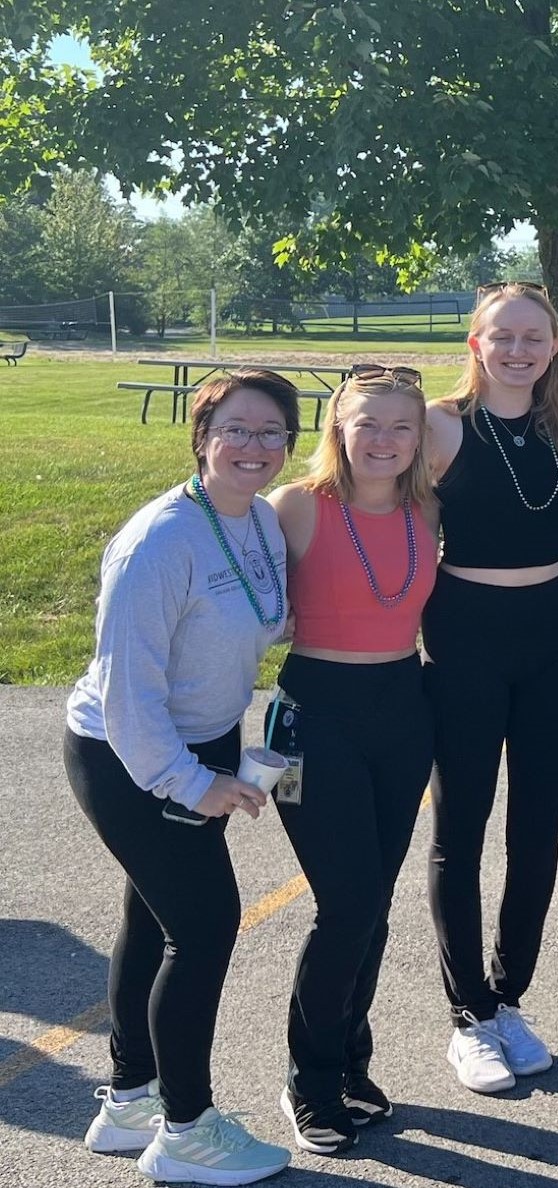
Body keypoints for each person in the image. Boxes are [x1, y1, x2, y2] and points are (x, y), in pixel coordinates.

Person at [68, 369, 300, 1185]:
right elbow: (129, 695)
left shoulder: (259, 523)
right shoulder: (159, 542)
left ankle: (131, 1100)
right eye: (236, 429)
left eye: (272, 432)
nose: (255, 447)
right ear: (202, 436)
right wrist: (190, 783)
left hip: (199, 740)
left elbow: (272, 618)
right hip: (130, 751)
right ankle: (187, 1129)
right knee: (203, 928)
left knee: (155, 912)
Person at [264, 365, 437, 1154]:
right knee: (349, 905)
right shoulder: (298, 506)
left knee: (375, 907)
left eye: (403, 426)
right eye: (369, 423)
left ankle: (349, 1066)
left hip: (403, 708)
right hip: (316, 715)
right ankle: (309, 1079)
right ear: (339, 424)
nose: (385, 440)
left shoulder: (426, 507)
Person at [424, 281, 558, 1093]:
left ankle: (508, 995)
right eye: (503, 336)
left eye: (534, 336)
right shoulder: (438, 426)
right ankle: (468, 1016)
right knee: (463, 828)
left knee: (539, 828)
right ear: (476, 345)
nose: (519, 349)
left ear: (554, 346)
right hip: (466, 635)